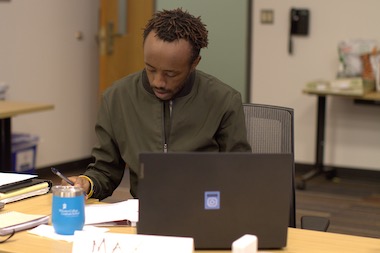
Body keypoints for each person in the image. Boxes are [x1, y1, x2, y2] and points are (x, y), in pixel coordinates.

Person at [63, 8, 251, 199]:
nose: (158, 82)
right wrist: (87, 183)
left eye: (171, 74)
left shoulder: (223, 100)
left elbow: (239, 175)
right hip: (144, 214)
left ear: (195, 63)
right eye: (150, 69)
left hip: (205, 211)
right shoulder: (117, 98)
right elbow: (105, 170)